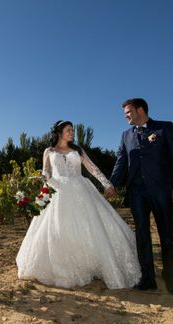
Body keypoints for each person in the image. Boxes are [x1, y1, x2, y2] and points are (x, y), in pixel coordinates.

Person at [16, 120, 141, 289]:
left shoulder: (78, 150)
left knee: (89, 228)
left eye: (72, 130)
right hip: (57, 191)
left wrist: (106, 183)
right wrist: (40, 177)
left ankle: (93, 265)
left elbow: (91, 168)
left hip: (79, 190)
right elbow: (47, 172)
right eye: (69, 130)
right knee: (58, 228)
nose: (72, 133)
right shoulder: (49, 151)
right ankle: (62, 269)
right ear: (59, 132)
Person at [105, 98, 173, 294]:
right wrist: (110, 184)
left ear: (140, 110)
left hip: (162, 190)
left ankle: (169, 277)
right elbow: (120, 163)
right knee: (142, 234)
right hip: (137, 193)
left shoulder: (165, 128)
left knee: (167, 234)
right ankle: (148, 277)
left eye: (128, 112)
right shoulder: (126, 135)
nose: (125, 116)